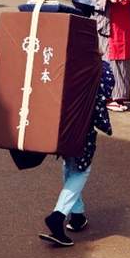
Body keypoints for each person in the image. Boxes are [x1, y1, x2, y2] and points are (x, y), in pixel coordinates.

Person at [39, 58, 115, 248]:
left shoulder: (61, 62)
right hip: (82, 129)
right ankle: (58, 216)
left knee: (70, 166)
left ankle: (78, 215)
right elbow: (102, 96)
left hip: (61, 127)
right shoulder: (99, 68)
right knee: (81, 171)